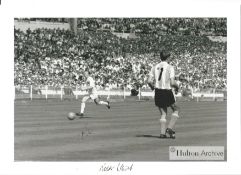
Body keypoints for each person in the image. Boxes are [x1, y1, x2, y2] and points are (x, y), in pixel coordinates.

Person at [148, 50, 180, 139]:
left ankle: (162, 134)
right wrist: (177, 88)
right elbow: (173, 83)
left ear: (160, 57)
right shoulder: (170, 67)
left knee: (163, 113)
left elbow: (149, 81)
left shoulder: (154, 67)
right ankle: (169, 128)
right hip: (166, 91)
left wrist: (153, 88)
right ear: (168, 57)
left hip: (158, 91)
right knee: (176, 109)